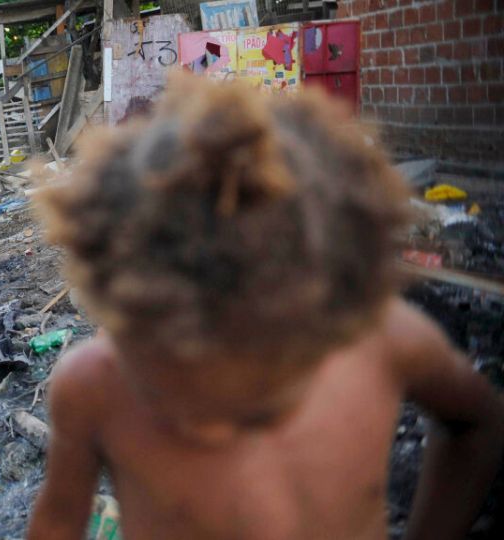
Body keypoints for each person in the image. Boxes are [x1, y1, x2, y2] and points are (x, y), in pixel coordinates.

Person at [27, 73, 504, 540]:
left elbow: (475, 424)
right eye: (182, 383)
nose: (214, 432)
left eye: (265, 402)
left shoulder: (381, 339)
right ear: (122, 318)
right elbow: (56, 524)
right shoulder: (93, 385)